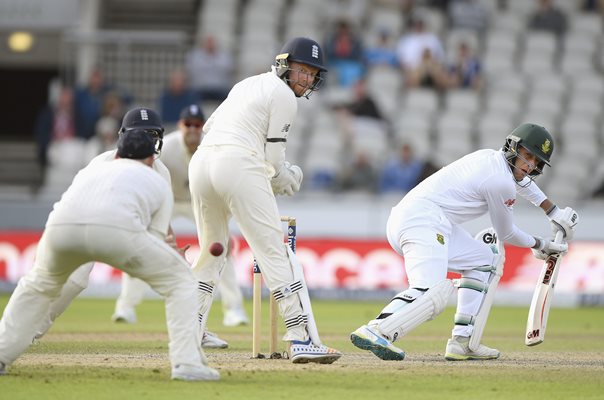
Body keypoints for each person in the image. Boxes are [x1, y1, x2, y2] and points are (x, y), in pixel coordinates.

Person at [0, 129, 219, 381]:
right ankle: (186, 364)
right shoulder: (158, 179)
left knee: (37, 285)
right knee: (182, 281)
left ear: (117, 155)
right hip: (117, 230)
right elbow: (156, 237)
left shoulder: (91, 170)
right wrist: (174, 257)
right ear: (151, 159)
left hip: (60, 228)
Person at [350, 123, 578, 361]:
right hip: (422, 221)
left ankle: (462, 342)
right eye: (527, 155)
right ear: (513, 147)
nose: (530, 165)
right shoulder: (498, 180)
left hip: (430, 220)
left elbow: (523, 183)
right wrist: (541, 244)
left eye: (537, 161)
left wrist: (553, 211)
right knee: (431, 291)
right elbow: (507, 232)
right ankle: (376, 329)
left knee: (484, 260)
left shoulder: (491, 159)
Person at [188, 37, 342, 364]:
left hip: (201, 164)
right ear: (285, 65)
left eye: (313, 74)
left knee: (212, 251)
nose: (307, 80)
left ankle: (188, 330)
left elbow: (211, 127)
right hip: (238, 163)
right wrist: (289, 177)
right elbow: (273, 158)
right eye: (302, 71)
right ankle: (301, 339)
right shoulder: (285, 95)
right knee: (275, 251)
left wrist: (273, 174)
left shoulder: (247, 84)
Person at [33, 107, 229, 349]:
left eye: (151, 135)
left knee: (181, 275)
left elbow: (161, 218)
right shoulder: (101, 162)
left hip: (120, 233)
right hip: (88, 226)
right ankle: (31, 330)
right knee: (71, 281)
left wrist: (173, 248)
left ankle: (194, 333)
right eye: (140, 134)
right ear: (123, 136)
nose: (145, 141)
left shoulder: (161, 171)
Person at [160, 104, 250, 328]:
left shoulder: (212, 145)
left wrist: (224, 227)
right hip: (168, 199)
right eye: (187, 124)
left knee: (222, 246)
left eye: (197, 125)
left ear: (203, 127)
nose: (192, 129)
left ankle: (234, 309)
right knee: (146, 240)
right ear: (180, 125)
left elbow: (222, 182)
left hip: (197, 201)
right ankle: (126, 307)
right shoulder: (167, 147)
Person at [186, 36, 234, 104]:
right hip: (200, 88)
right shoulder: (195, 56)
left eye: (211, 43)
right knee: (191, 96)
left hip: (219, 88)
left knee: (229, 98)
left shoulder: (224, 56)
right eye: (208, 43)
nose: (210, 45)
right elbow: (192, 71)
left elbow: (228, 70)